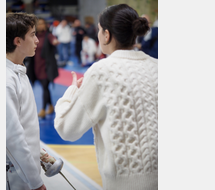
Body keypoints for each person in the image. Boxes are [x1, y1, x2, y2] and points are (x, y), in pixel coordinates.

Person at [54, 4, 158, 190]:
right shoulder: (157, 66)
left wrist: (71, 92)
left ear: (107, 35)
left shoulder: (101, 72)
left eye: (100, 30)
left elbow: (66, 128)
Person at [6, 12, 49, 190]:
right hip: (15, 177)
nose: (37, 40)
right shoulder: (6, 82)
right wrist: (36, 182)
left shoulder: (18, 72)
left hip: (24, 172)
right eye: (32, 35)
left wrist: (38, 153)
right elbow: (12, 136)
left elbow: (25, 125)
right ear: (18, 41)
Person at [24, 18, 59, 118]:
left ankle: (43, 109)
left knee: (45, 87)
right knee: (45, 87)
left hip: (46, 67)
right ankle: (51, 106)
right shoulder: (34, 37)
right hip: (36, 66)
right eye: (38, 24)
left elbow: (53, 39)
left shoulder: (48, 35)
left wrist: (55, 41)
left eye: (42, 24)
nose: (41, 26)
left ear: (45, 25)